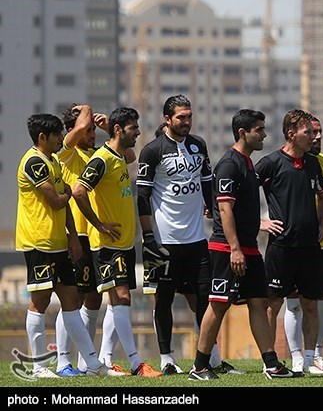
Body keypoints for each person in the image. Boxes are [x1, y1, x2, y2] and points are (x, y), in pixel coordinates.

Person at [136, 95, 242, 375]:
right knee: (164, 300)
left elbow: (208, 183)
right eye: (181, 117)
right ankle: (167, 359)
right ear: (167, 119)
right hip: (165, 241)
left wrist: (212, 210)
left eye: (189, 116)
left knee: (207, 300)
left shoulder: (199, 145)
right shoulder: (152, 151)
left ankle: (211, 358)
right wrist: (148, 237)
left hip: (197, 240)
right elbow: (142, 197)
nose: (186, 121)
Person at [16, 113, 126, 379]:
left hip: (58, 243)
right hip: (38, 243)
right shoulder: (33, 162)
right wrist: (68, 194)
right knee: (40, 302)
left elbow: (63, 200)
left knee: (71, 301)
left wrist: (72, 236)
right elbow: (57, 200)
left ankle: (93, 364)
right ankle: (39, 367)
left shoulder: (52, 160)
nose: (60, 141)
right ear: (43, 137)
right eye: (56, 136)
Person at [189, 109, 283, 380]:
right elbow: (225, 210)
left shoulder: (248, 163)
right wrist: (235, 249)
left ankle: (272, 364)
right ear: (243, 133)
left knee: (258, 302)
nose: (264, 134)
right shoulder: (230, 163)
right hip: (227, 249)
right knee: (218, 305)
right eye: (259, 130)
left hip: (250, 248)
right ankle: (200, 366)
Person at [70, 107, 162, 377]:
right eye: (134, 127)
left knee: (117, 301)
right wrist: (98, 224)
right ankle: (136, 363)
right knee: (121, 297)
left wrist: (110, 126)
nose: (139, 132)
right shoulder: (101, 159)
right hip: (107, 244)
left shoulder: (119, 155)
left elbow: (129, 151)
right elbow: (78, 191)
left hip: (123, 243)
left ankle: (102, 361)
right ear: (121, 130)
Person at [53, 104, 129, 376]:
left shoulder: (98, 153)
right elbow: (78, 130)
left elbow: (129, 155)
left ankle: (88, 361)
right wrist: (86, 109)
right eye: (89, 130)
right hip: (76, 235)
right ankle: (63, 361)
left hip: (96, 237)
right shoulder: (66, 151)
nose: (93, 134)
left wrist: (110, 127)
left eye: (96, 130)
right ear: (74, 130)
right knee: (72, 298)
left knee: (93, 299)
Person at [257, 109, 323, 377]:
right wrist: (260, 222)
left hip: (309, 248)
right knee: (273, 304)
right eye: (308, 132)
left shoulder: (313, 163)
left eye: (314, 132)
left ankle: (310, 358)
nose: (313, 136)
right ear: (291, 134)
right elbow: (241, 192)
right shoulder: (271, 163)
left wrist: (322, 224)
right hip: (281, 248)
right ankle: (271, 360)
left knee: (311, 303)